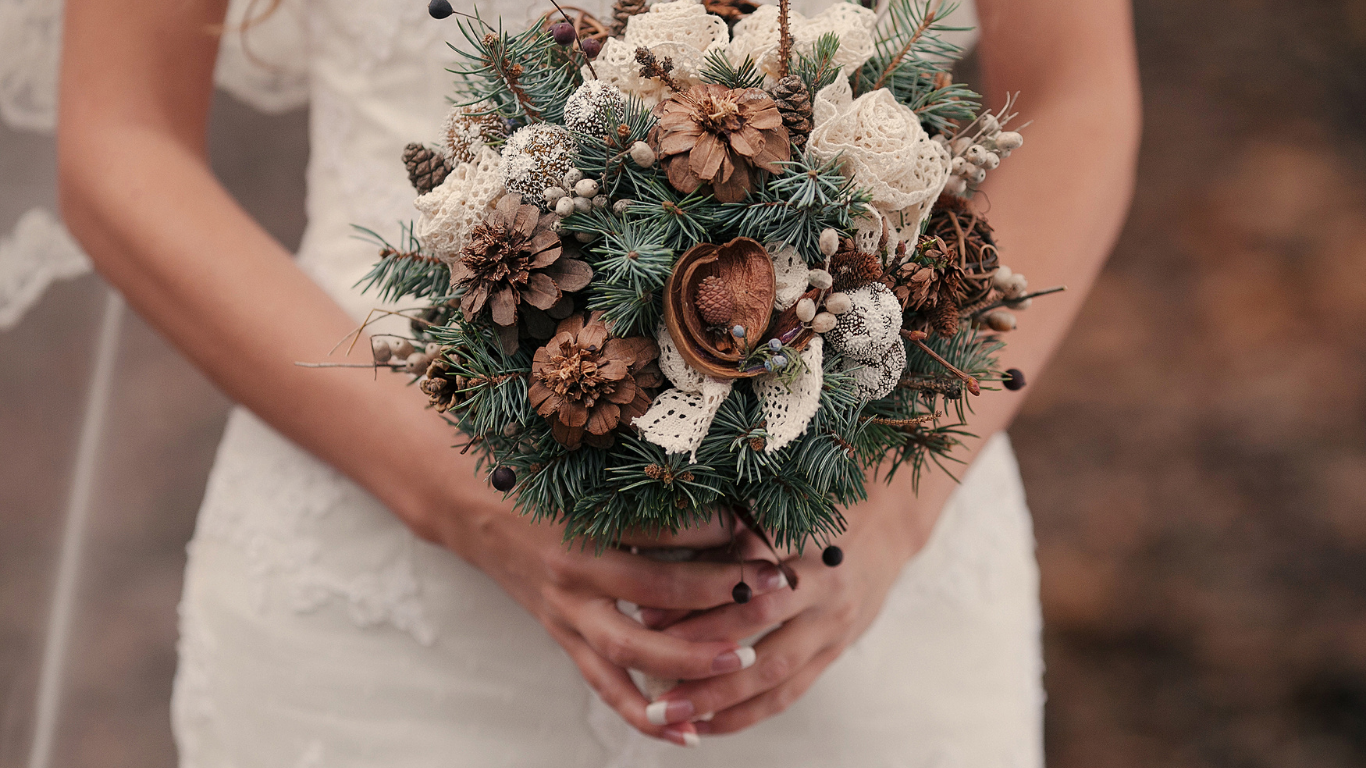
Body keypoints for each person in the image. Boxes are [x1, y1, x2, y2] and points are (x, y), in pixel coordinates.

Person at [56, 0, 1139, 763]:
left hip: (855, 606)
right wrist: (461, 498)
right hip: (379, 609)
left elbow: (1073, 92)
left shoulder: (880, 536)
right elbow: (121, 137)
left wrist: (889, 515)